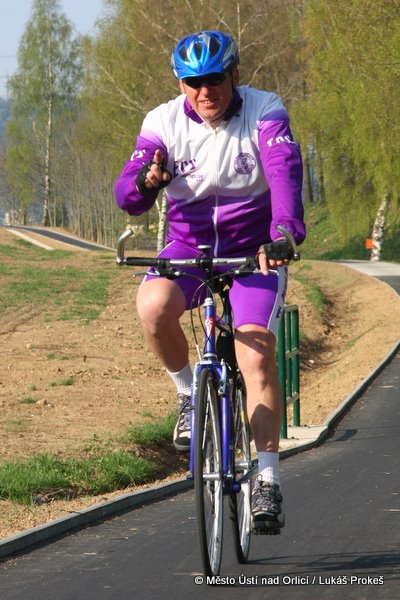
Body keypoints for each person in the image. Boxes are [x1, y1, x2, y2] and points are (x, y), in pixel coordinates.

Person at [115, 30, 305, 533]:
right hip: (189, 248)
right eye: (193, 82)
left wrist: (284, 233)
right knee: (153, 305)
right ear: (180, 84)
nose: (205, 91)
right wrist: (145, 183)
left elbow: (284, 171)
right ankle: (187, 395)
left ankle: (268, 479)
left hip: (252, 252)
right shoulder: (161, 122)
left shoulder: (264, 110)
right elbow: (128, 191)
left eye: (215, 79)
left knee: (255, 355)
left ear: (234, 75)